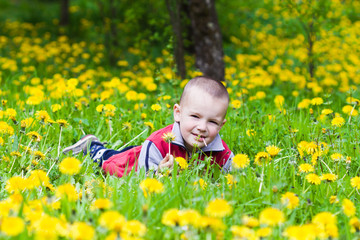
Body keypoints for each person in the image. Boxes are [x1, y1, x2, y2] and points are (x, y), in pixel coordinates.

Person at [62, 76, 234, 177]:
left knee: (130, 151)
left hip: (144, 151)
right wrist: (159, 173)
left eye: (212, 122)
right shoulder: (158, 144)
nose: (202, 127)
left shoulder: (223, 154)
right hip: (135, 166)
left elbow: (234, 179)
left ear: (221, 125)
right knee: (109, 161)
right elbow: (144, 182)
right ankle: (92, 146)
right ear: (178, 113)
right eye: (195, 116)